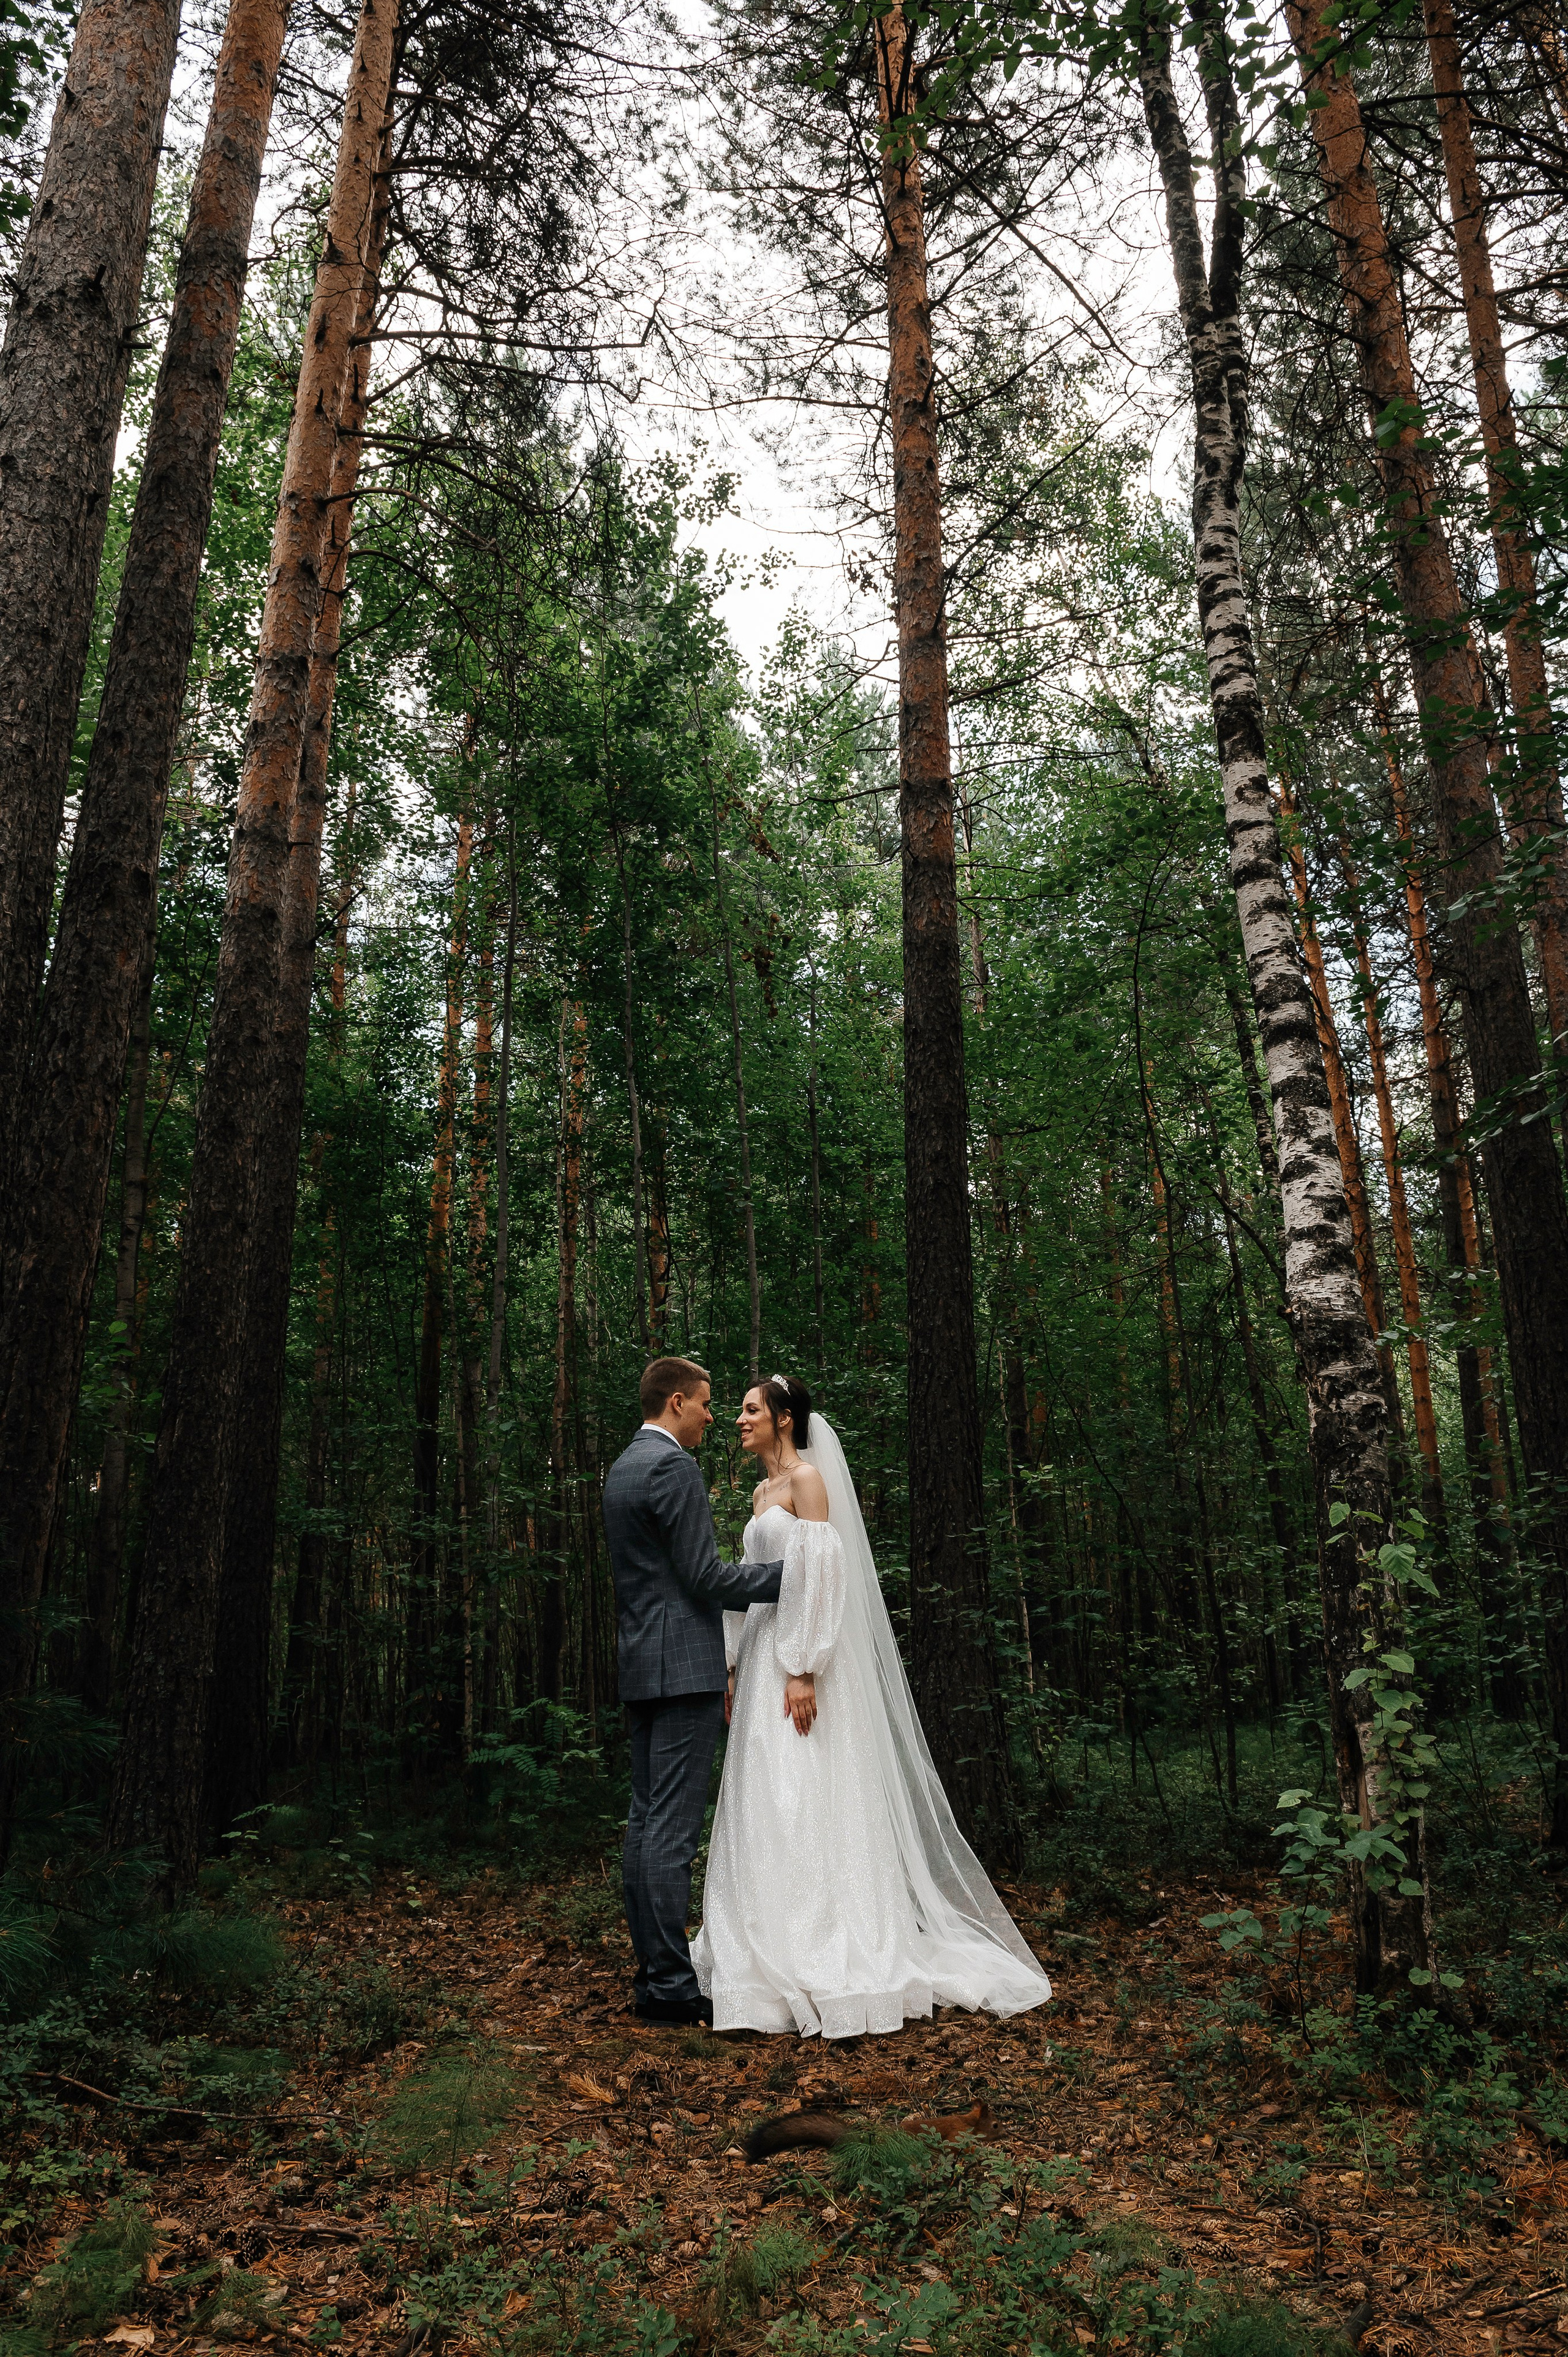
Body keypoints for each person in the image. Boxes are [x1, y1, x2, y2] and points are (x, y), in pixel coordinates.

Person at [691, 1374, 1052, 2040]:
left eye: (749, 1410)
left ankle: (824, 1947)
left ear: (784, 1417)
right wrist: (735, 1662)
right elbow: (752, 1587)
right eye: (738, 1410)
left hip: (799, 1662)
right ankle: (764, 1947)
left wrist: (805, 1668)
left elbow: (823, 1577)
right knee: (766, 1799)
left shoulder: (805, 1482)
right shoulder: (762, 1491)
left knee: (805, 1794)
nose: (739, 1420)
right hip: (765, 1651)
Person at [601, 1356, 786, 2025]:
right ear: (677, 1401)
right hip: (683, 1670)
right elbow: (705, 1576)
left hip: (642, 1665)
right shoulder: (674, 1466)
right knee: (670, 1833)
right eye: (706, 1402)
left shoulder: (623, 1465)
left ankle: (655, 1978)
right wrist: (792, 1573)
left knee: (647, 1822)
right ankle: (672, 1990)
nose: (714, 1414)